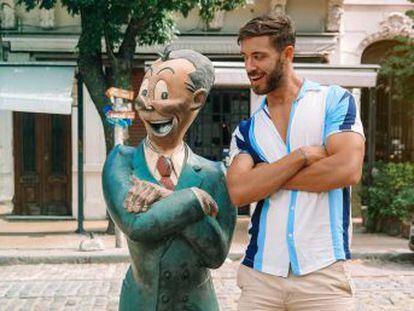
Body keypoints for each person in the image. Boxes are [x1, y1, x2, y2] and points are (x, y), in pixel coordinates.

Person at [227, 14, 365, 311]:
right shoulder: (247, 130)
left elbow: (347, 168)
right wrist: (300, 157)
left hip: (324, 275)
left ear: (287, 54)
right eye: (245, 57)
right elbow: (238, 192)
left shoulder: (334, 102)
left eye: (259, 56)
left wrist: (265, 177)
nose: (249, 67)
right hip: (260, 278)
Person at [102, 48, 236, 311]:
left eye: (163, 94)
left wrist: (165, 197)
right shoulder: (121, 161)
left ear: (196, 100)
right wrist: (192, 200)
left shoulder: (213, 174)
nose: (148, 104)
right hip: (141, 303)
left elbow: (216, 254)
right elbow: (136, 225)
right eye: (144, 92)